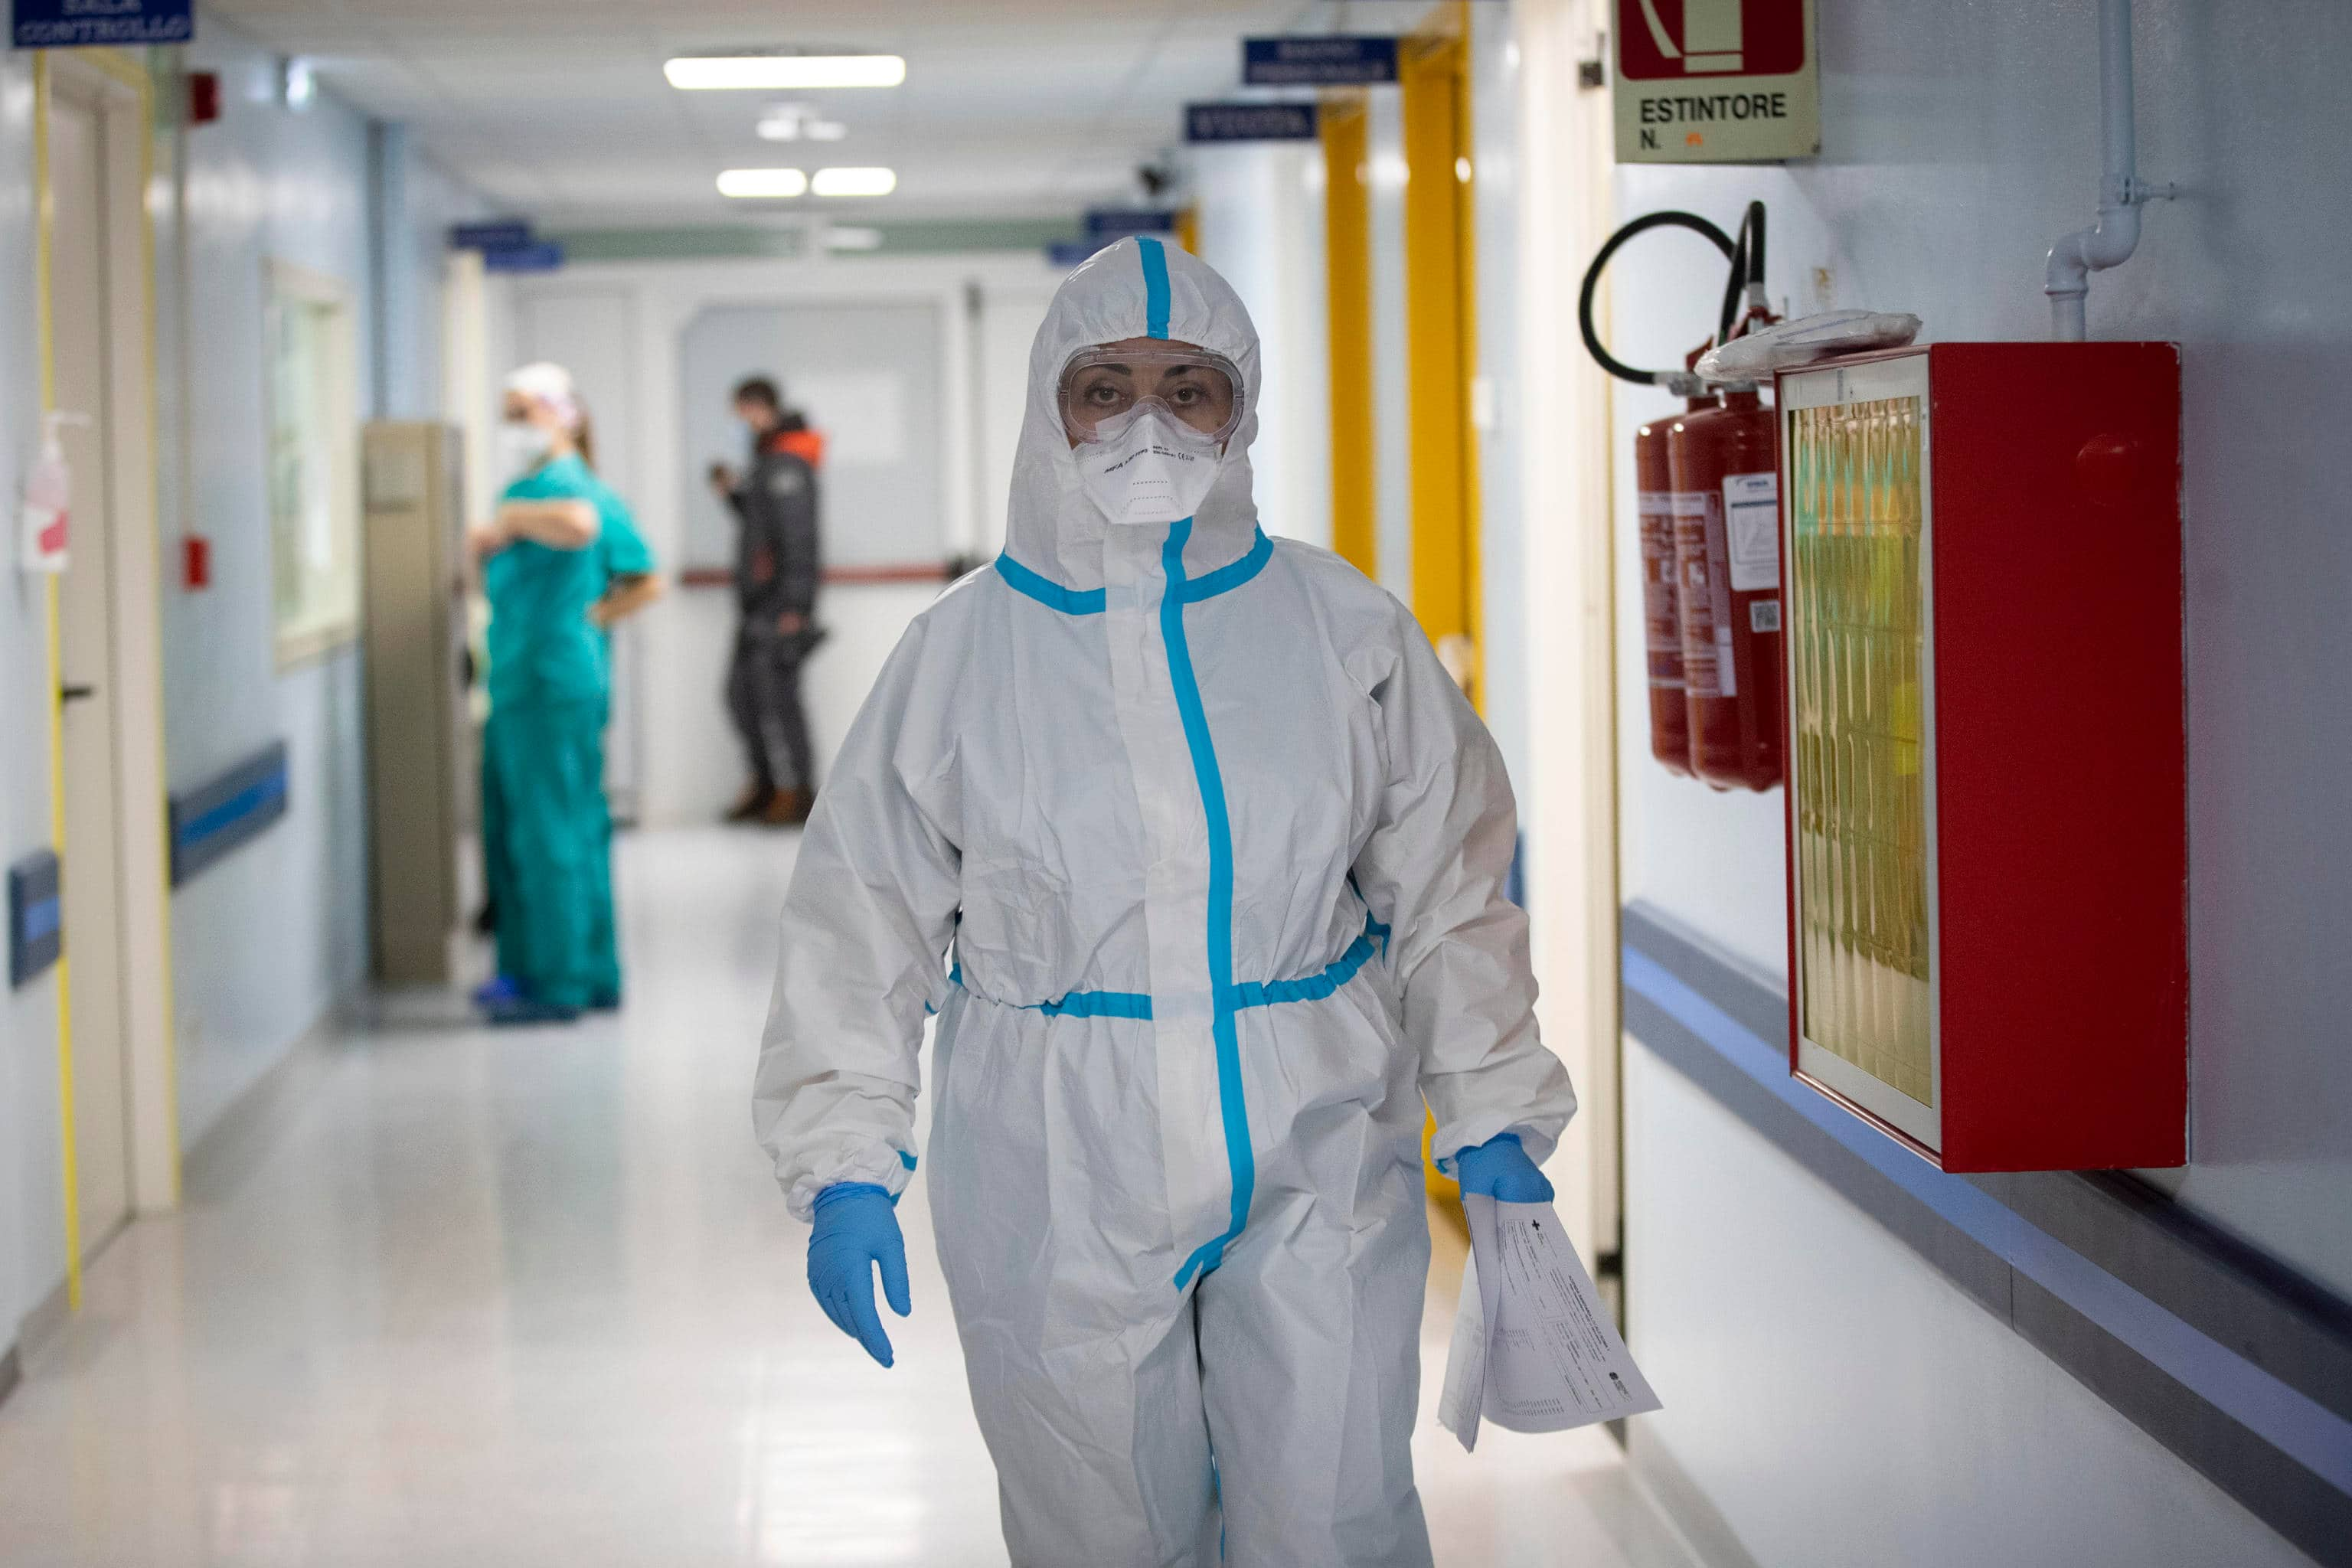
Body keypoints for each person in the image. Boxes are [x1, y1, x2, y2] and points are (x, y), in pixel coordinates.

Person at [752, 237, 1575, 1564]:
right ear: (1049, 406)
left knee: (1333, 1515)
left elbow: (1451, 880)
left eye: (1187, 389)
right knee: (1098, 1522)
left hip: (1315, 1132)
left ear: (1240, 408)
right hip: (1055, 1153)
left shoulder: (1339, 627)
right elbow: (860, 924)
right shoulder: (959, 654)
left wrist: (1488, 1096)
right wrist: (846, 1159)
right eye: (1106, 388)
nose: (1147, 423)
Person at [471, 362, 652, 1024]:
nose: (512, 426)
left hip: (545, 683)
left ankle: (556, 981)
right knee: (562, 825)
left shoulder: (561, 488)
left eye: (524, 412)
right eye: (508, 413)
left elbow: (581, 527)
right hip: (534, 678)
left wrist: (511, 518)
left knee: (547, 830)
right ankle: (584, 971)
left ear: (560, 414)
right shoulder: (533, 485)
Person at [709, 376, 822, 826]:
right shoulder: (768, 463)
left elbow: (798, 540)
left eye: (742, 413)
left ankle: (798, 795)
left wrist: (796, 607)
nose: (739, 423)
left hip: (779, 609)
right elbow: (764, 531)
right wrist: (735, 497)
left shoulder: (787, 464)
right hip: (757, 608)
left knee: (780, 702)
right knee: (742, 698)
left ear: (761, 408)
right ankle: (766, 785)